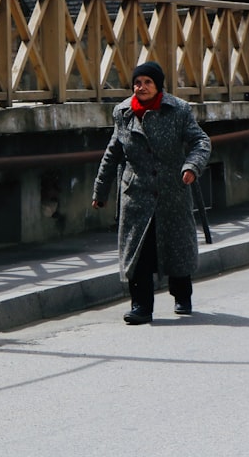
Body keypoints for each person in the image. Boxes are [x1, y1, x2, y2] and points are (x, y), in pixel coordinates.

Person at [92, 61, 212, 325]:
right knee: (139, 252)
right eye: (137, 82)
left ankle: (182, 295)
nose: (141, 87)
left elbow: (201, 141)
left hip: (172, 189)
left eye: (148, 82)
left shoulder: (178, 109)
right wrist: (100, 190)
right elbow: (113, 152)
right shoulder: (122, 112)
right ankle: (141, 307)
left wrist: (192, 166)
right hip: (137, 192)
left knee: (175, 247)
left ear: (158, 86)